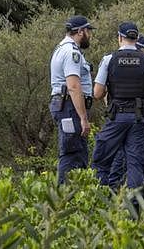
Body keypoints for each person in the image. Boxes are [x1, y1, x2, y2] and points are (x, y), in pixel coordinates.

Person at [91, 22, 144, 199]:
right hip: (139, 119)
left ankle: (101, 201)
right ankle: (135, 210)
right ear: (137, 39)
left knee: (102, 159)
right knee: (135, 164)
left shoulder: (109, 59)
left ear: (120, 37)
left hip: (116, 117)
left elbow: (97, 93)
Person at [107, 34, 144, 186]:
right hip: (140, 118)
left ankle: (127, 193)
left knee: (138, 159)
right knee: (133, 160)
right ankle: (129, 194)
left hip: (141, 117)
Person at [48, 15, 95, 184]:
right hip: (69, 106)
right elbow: (74, 86)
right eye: (88, 31)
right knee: (71, 153)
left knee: (77, 152)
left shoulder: (62, 48)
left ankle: (73, 196)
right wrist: (83, 118)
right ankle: (65, 199)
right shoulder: (71, 52)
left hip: (66, 105)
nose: (89, 35)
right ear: (80, 31)